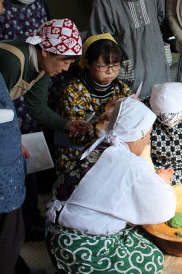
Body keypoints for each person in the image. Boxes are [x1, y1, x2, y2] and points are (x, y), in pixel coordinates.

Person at [46, 98, 176, 273]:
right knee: (151, 258)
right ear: (139, 134)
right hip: (80, 247)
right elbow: (163, 210)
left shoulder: (99, 146)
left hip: (53, 235)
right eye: (149, 135)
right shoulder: (131, 164)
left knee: (138, 234)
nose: (148, 141)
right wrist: (162, 183)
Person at [55, 33, 131, 176]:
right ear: (88, 63)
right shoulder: (73, 92)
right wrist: (104, 118)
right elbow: (76, 138)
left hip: (109, 155)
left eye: (115, 66)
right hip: (77, 160)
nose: (110, 72)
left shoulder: (122, 89)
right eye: (103, 66)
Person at [0, 18, 86, 133]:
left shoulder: (42, 66)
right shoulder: (13, 63)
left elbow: (36, 106)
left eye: (70, 63)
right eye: (64, 62)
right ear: (46, 51)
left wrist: (67, 125)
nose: (66, 68)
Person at [0, 0, 28, 274]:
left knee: (9, 232)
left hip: (4, 151)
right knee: (8, 234)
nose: (2, 9)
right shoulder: (11, 61)